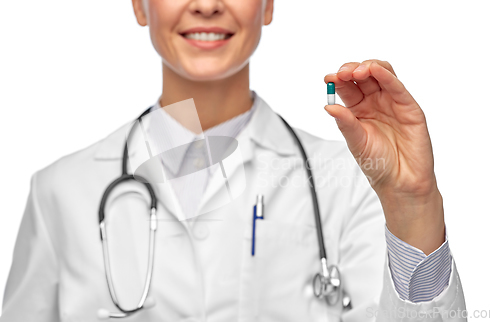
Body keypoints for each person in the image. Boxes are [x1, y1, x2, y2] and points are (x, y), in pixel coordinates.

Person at [1, 0, 466, 321]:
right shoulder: (59, 192)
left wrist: (413, 203)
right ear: (140, 4)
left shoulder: (348, 184)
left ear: (268, 4)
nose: (206, 3)